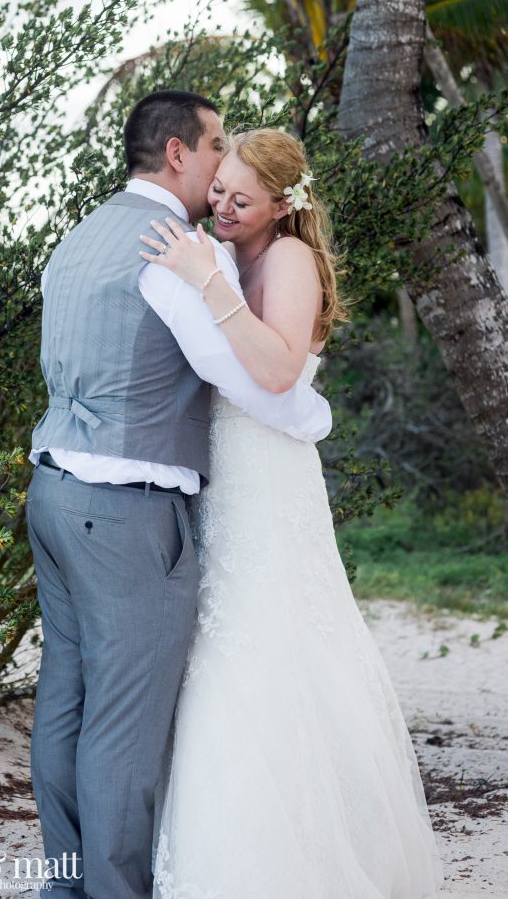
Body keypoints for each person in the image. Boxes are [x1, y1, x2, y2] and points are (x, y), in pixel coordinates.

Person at [25, 93, 332, 899]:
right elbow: (247, 380)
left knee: (65, 697)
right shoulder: (178, 250)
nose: (223, 164)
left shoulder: (80, 238)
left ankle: (63, 883)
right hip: (124, 510)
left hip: (52, 490)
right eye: (216, 144)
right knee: (123, 723)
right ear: (177, 154)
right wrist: (311, 410)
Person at [138, 128, 445, 899]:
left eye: (242, 200)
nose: (224, 207)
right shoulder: (231, 249)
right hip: (222, 474)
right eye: (220, 194)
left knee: (269, 640)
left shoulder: (287, 259)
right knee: (222, 639)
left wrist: (207, 279)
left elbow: (276, 373)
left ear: (284, 204)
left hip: (268, 477)